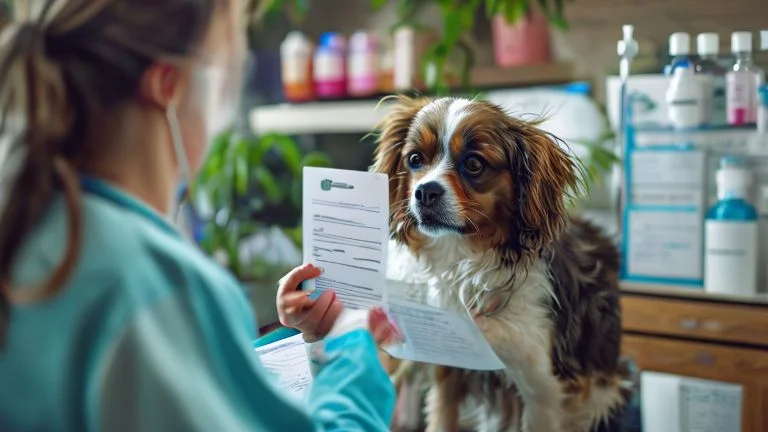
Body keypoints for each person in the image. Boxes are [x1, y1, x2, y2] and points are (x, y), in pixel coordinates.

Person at [0, 1, 400, 431]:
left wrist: (316, 343)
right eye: (229, 69)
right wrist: (353, 354)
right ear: (168, 85)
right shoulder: (150, 282)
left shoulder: (37, 224)